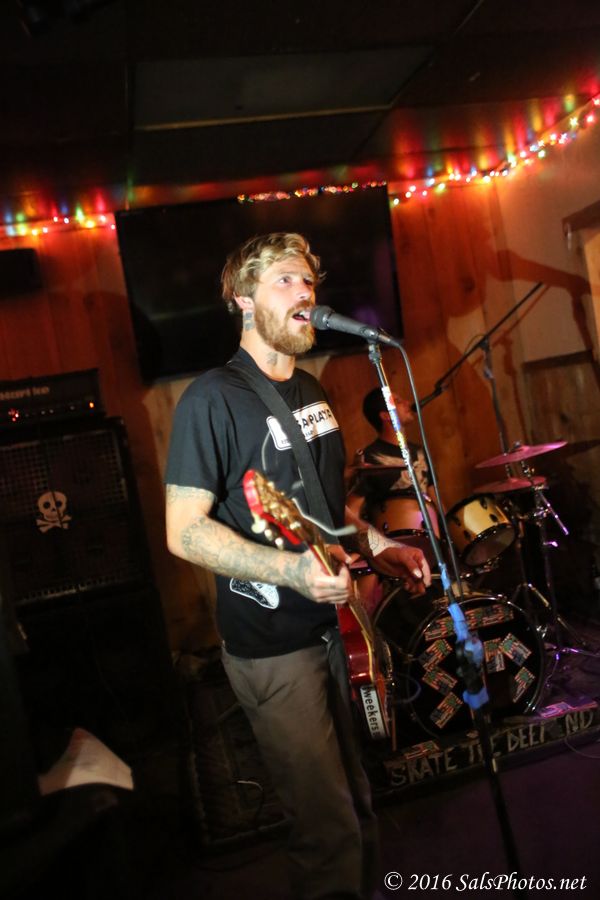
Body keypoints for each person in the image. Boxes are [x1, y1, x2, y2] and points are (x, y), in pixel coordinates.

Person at [164, 232, 431, 900]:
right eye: (285, 279)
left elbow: (328, 511)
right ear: (242, 299)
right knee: (324, 826)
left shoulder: (311, 390)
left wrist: (380, 548)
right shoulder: (210, 399)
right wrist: (291, 574)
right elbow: (183, 530)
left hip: (337, 630)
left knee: (358, 801)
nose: (306, 293)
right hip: (273, 646)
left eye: (309, 280)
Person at [346, 388, 436, 543]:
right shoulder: (371, 457)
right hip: (393, 541)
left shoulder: (419, 451)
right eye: (398, 401)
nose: (408, 403)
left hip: (432, 534)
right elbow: (352, 510)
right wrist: (369, 546)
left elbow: (433, 497)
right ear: (386, 415)